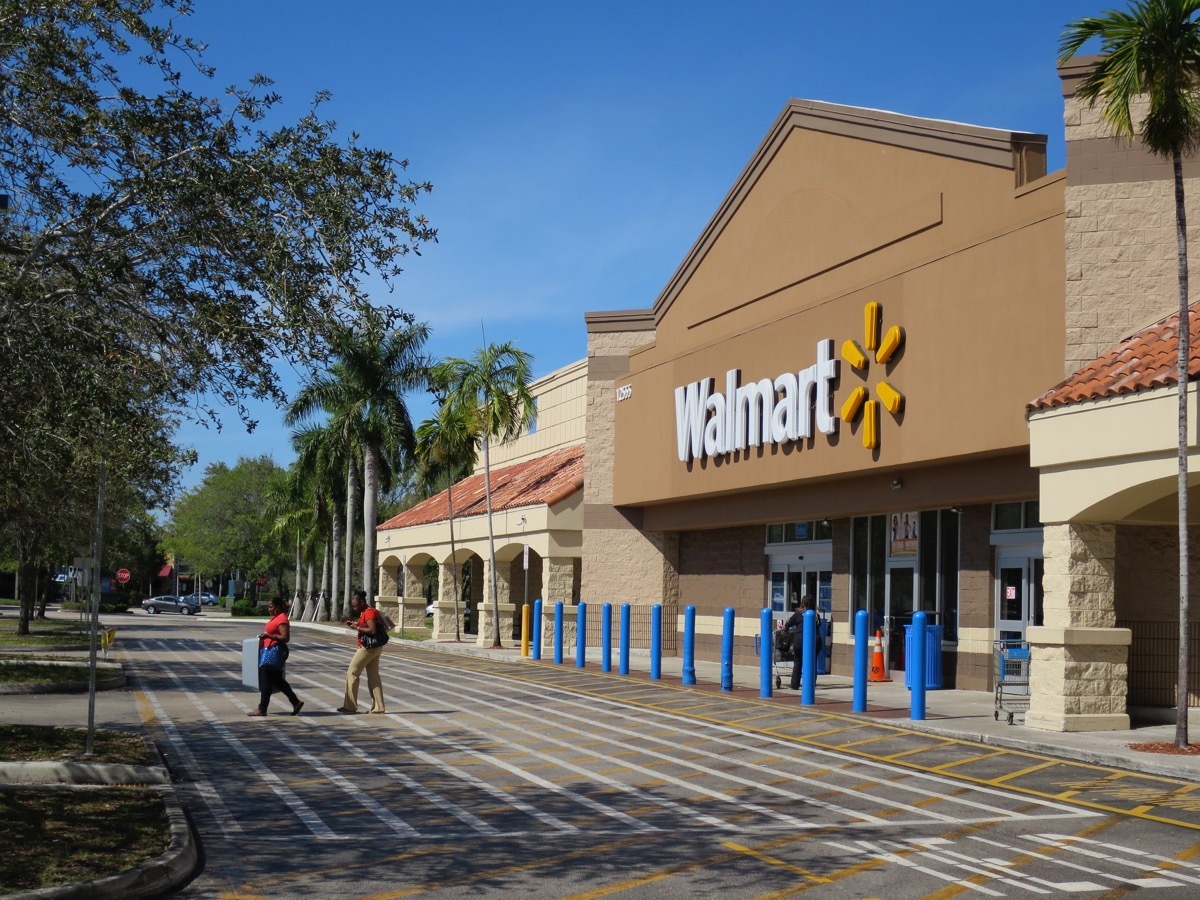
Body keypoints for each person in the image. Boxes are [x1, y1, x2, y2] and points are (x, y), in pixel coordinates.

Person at [248, 597, 303, 717]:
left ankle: (262, 709)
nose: (269, 609)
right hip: (270, 650)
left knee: (267, 679)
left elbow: (285, 638)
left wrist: (270, 636)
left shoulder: (282, 619)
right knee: (276, 680)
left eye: (271, 606)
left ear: (277, 607)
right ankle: (295, 702)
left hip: (275, 651)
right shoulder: (277, 617)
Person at [339, 590, 386, 714]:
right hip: (376, 647)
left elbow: (372, 630)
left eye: (355, 605)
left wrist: (356, 627)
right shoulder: (367, 611)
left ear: (362, 602)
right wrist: (355, 624)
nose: (354, 608)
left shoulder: (368, 613)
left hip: (368, 648)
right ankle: (379, 707)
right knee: (373, 677)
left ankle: (350, 706)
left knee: (352, 673)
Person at [785, 594, 820, 690]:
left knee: (798, 662)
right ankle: (811, 684)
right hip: (814, 641)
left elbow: (788, 624)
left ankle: (795, 684)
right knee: (812, 662)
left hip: (799, 641)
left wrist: (787, 631)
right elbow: (818, 627)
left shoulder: (798, 614)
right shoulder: (816, 615)